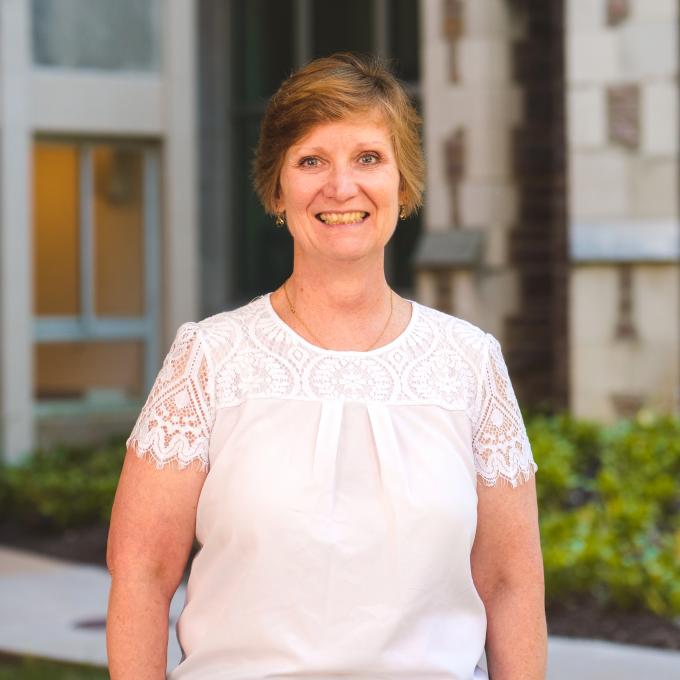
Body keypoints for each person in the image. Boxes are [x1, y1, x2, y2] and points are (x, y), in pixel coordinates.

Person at [107, 52, 546, 680]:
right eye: (312, 160)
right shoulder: (209, 359)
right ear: (278, 189)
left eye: (368, 158)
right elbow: (142, 576)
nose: (341, 187)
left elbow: (510, 582)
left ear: (403, 182)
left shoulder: (470, 363)